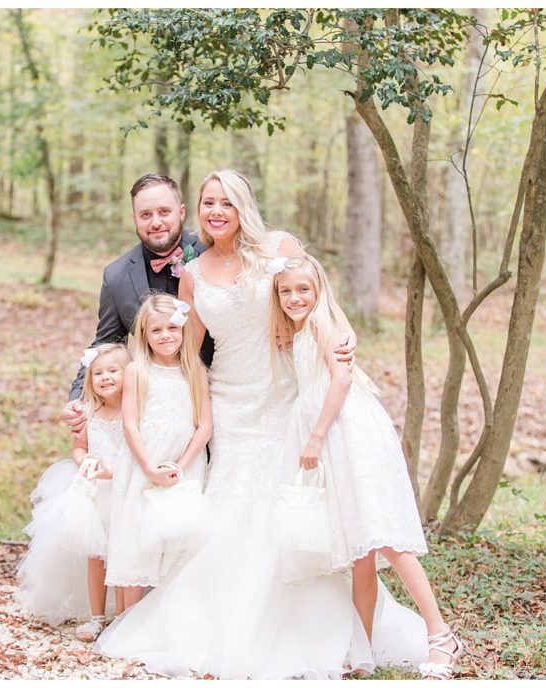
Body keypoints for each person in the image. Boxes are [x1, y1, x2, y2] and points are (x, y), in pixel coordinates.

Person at [96, 170, 408, 679]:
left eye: (225, 202)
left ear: (242, 206)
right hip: (231, 405)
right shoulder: (192, 272)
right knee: (231, 511)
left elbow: (319, 301)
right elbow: (191, 351)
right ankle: (218, 627)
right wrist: (154, 395)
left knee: (286, 508)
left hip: (286, 396)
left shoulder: (280, 249)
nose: (216, 211)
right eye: (207, 202)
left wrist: (345, 338)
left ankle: (316, 629)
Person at [270, 254, 465, 679]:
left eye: (303, 289)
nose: (294, 297)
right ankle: (365, 646)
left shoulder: (326, 323)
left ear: (319, 288)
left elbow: (339, 380)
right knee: (361, 551)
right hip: (332, 432)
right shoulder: (303, 329)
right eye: (286, 291)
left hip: (346, 431)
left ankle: (440, 635)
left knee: (385, 537)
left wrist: (317, 435)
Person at [62, 174, 213, 434]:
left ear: (181, 211)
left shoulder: (212, 252)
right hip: (156, 412)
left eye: (164, 212)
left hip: (220, 393)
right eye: (145, 215)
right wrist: (78, 398)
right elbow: (106, 343)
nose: (156, 222)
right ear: (135, 219)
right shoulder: (117, 276)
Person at [14, 343, 131, 641]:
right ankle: (96, 617)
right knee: (97, 557)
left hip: (125, 490)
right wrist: (85, 462)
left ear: (129, 373)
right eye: (98, 373)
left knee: (122, 555)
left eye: (113, 371)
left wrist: (113, 471)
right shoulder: (91, 414)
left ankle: (123, 616)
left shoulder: (135, 413)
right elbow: (79, 448)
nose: (105, 378)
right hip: (95, 493)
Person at [104, 294, 212, 611]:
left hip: (183, 464)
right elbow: (131, 424)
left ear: (183, 331)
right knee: (135, 539)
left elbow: (204, 426)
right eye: (156, 331)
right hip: (143, 463)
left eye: (172, 328)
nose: (165, 336)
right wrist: (150, 469)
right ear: (145, 335)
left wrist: (180, 466)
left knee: (177, 540)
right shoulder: (138, 370)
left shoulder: (196, 372)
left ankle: (164, 618)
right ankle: (124, 621)